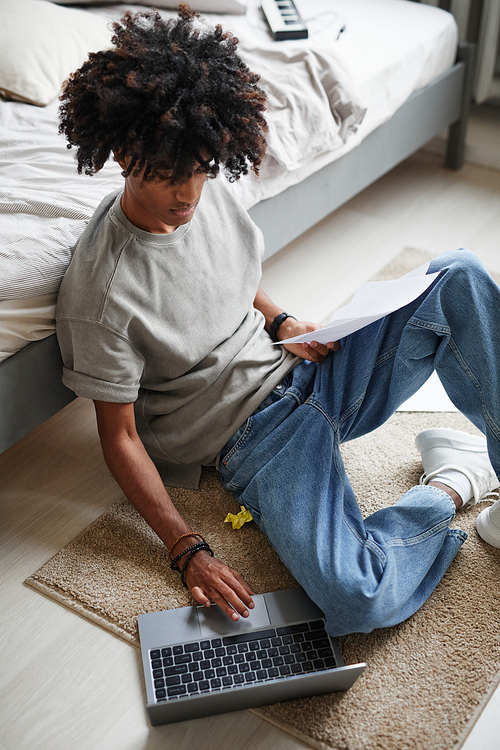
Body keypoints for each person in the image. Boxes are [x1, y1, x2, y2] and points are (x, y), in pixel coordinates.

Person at [56, 6, 500, 638]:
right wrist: (186, 546)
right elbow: (119, 438)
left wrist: (281, 317)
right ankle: (455, 481)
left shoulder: (201, 187)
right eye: (170, 176)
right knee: (359, 599)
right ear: (124, 154)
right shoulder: (103, 291)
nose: (190, 195)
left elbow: (225, 275)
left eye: (202, 171)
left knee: (457, 275)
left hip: (308, 368)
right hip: (256, 443)